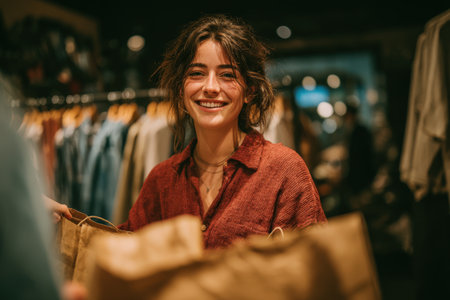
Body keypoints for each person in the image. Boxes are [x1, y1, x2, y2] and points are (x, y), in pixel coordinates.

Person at [54, 14, 326, 249]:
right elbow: (125, 253)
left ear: (250, 91)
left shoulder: (284, 171)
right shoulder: (162, 180)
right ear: (181, 87)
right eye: (196, 73)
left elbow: (315, 271)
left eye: (227, 75)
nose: (210, 87)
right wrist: (62, 221)